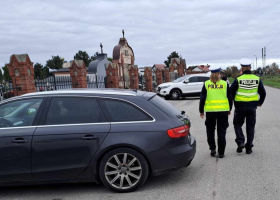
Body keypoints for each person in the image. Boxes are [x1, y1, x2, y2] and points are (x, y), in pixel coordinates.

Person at [230, 58, 266, 154]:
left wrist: (233, 101)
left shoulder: (238, 79)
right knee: (250, 127)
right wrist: (260, 102)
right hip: (252, 107)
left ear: (241, 68)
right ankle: (249, 147)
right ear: (250, 67)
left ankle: (240, 141)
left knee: (237, 124)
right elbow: (263, 93)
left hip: (240, 106)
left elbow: (231, 92)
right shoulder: (257, 79)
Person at [199, 68, 233, 158]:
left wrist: (201, 111)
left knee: (210, 130)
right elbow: (230, 97)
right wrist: (229, 109)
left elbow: (202, 98)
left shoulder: (206, 84)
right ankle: (221, 152)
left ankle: (213, 149)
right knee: (221, 131)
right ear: (219, 74)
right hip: (223, 111)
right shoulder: (225, 84)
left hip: (210, 112)